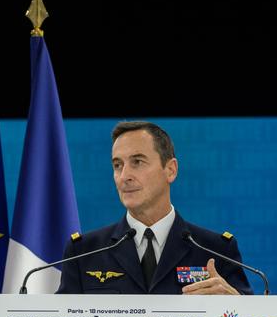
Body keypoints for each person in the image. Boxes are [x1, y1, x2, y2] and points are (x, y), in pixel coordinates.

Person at [57, 121, 253, 296]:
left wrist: (234, 303)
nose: (124, 176)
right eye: (117, 165)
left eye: (137, 162)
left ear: (171, 170)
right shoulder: (84, 253)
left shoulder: (217, 250)